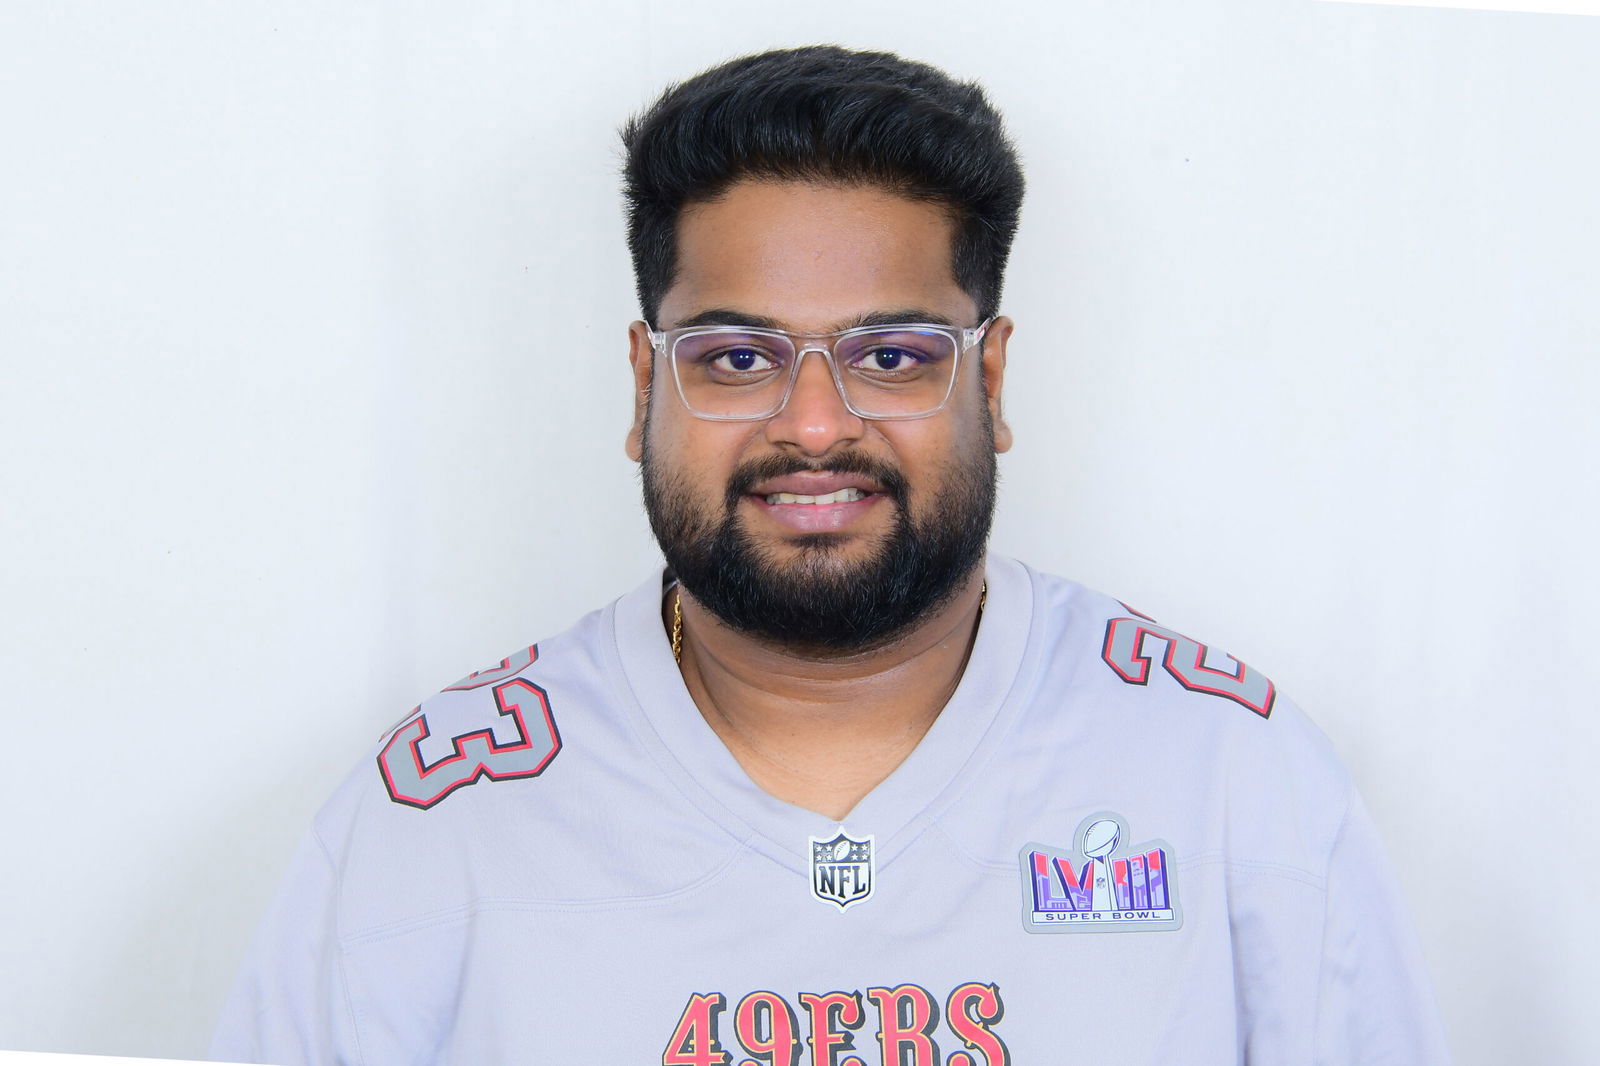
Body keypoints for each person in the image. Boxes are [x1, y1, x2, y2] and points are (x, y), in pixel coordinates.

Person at [211, 45, 1452, 1065]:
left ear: (991, 380)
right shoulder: (437, 822)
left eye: (893, 356)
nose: (813, 425)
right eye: (736, 358)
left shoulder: (1231, 780)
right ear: (646, 386)